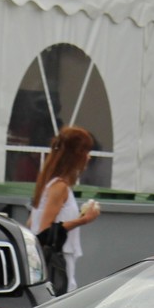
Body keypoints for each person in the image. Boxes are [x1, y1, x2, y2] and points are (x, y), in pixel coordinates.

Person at [27, 126, 101, 293]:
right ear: (76, 155)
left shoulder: (48, 184)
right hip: (58, 259)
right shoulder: (59, 187)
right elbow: (46, 230)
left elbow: (32, 222)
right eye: (86, 151)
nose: (89, 157)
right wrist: (84, 219)